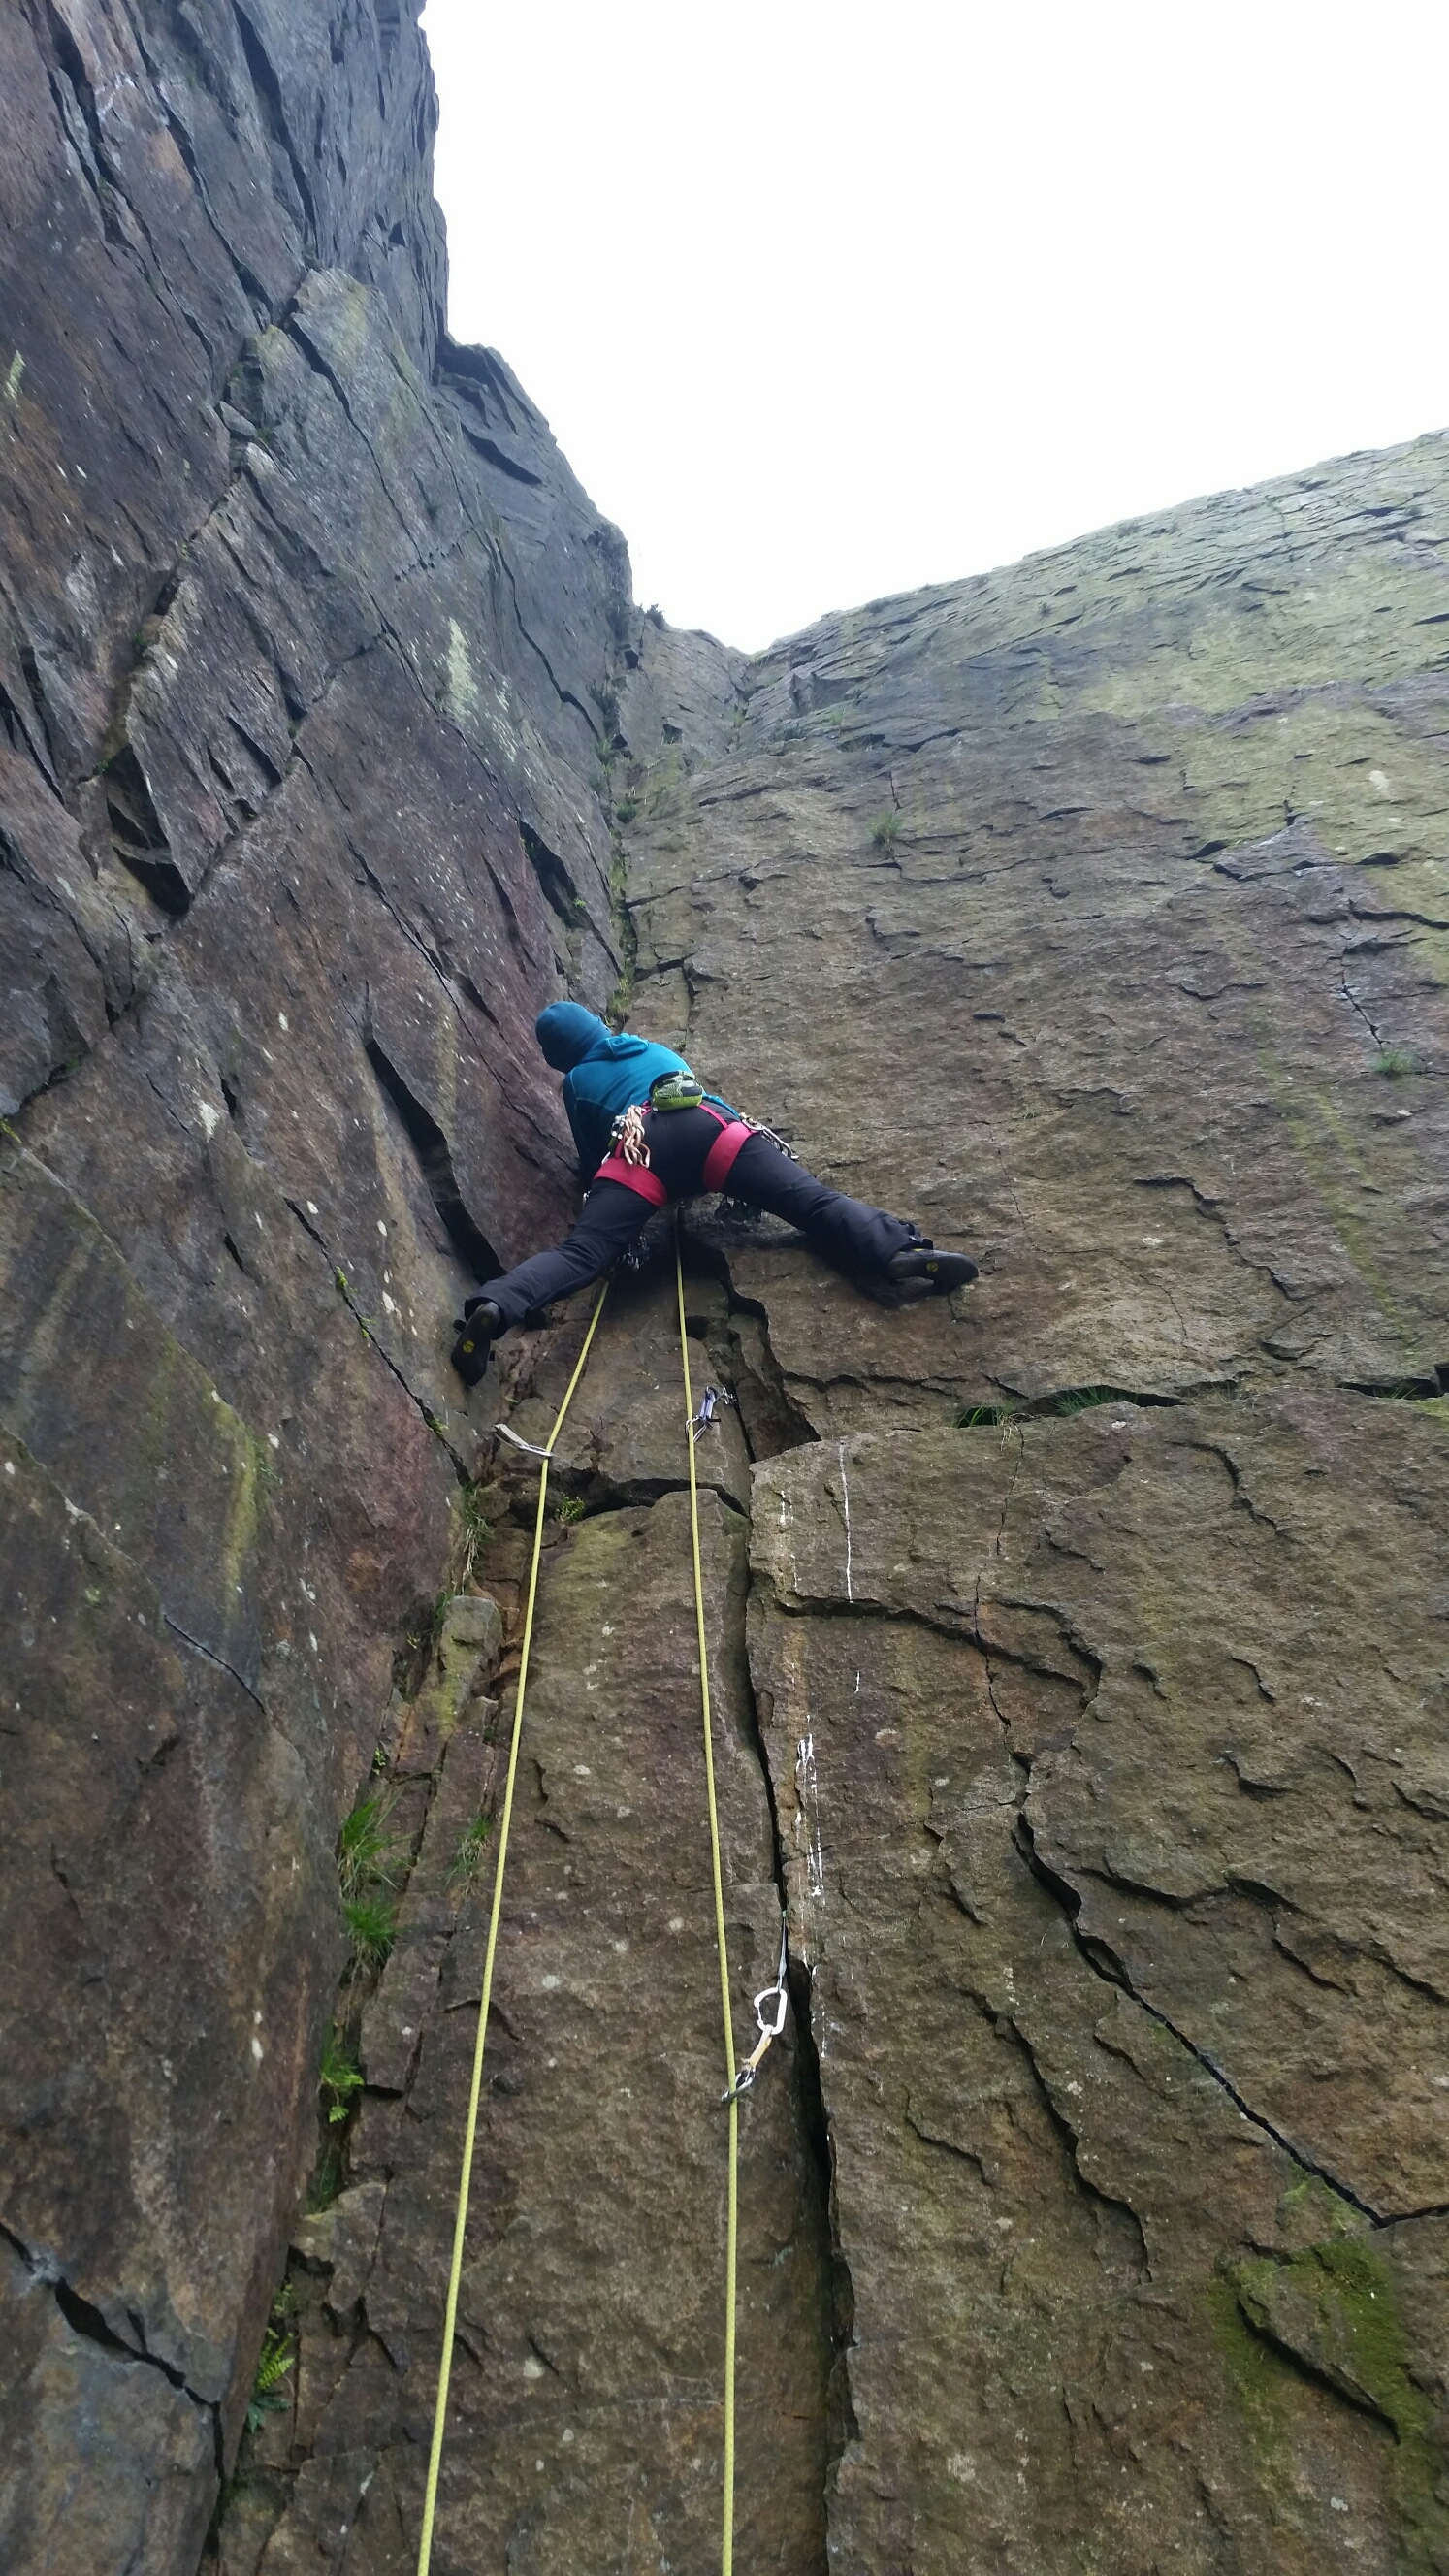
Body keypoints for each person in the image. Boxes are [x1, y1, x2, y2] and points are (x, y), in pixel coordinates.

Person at [451, 1002, 977, 1384]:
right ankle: (898, 1252)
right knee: (812, 1202)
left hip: (640, 1148)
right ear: (596, 1025)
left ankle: (497, 1306)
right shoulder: (653, 1047)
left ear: (560, 1056)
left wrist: (613, 1199)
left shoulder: (577, 1082)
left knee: (582, 1254)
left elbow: (592, 1160)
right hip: (713, 1132)